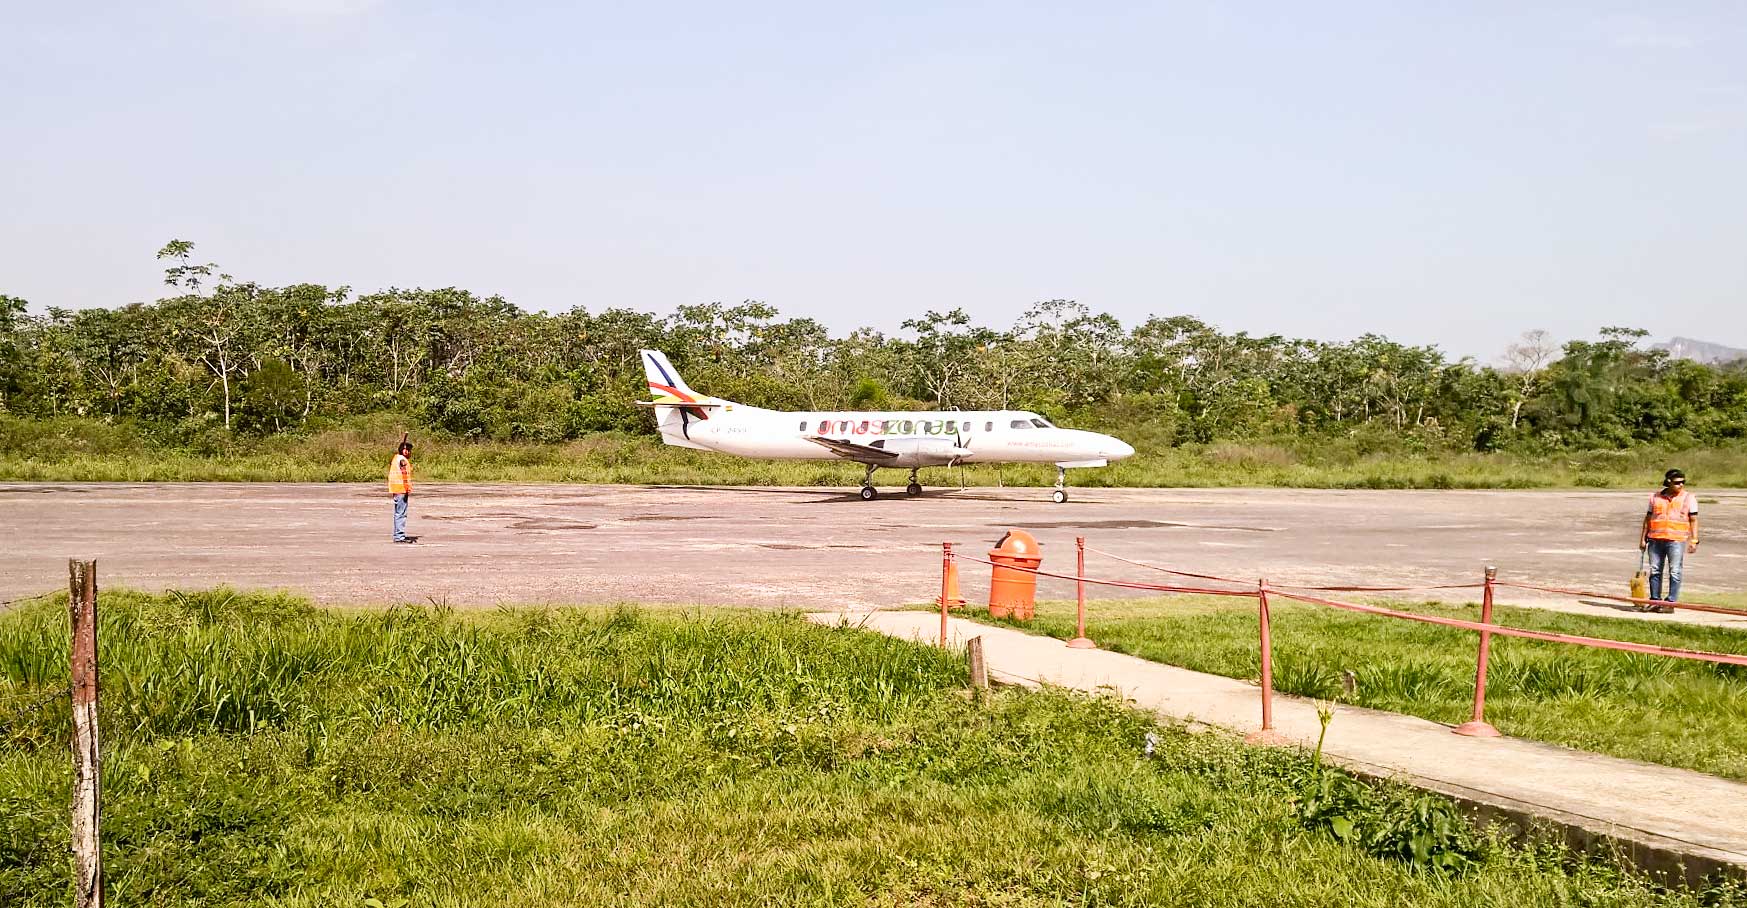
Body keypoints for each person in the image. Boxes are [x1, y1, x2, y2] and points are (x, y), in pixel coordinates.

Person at [1639, 468, 1699, 612]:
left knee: (1675, 571)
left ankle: (1671, 603)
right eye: (1677, 482)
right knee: (1655, 570)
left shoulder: (1689, 498)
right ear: (1668, 482)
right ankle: (1655, 600)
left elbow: (1694, 520)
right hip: (1655, 540)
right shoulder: (1655, 497)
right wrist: (1643, 539)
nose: (1681, 485)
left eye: (1683, 482)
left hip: (1676, 541)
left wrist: (1694, 540)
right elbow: (1648, 519)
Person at [388, 440, 415, 543]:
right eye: (409, 451)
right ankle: (399, 536)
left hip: (397, 489)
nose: (410, 453)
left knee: (399, 513)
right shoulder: (402, 460)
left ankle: (398, 535)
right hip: (401, 489)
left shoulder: (396, 458)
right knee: (401, 514)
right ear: (405, 451)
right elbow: (403, 469)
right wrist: (407, 488)